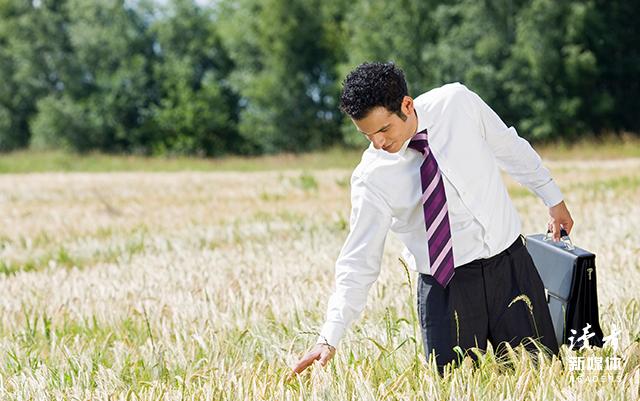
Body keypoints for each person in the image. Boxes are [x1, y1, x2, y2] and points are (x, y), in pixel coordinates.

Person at [290, 62, 573, 376]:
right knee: (455, 390)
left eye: (383, 129)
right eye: (367, 135)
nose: (378, 143)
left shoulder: (458, 103)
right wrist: (329, 336)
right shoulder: (371, 178)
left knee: (543, 377)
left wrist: (552, 198)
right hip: (446, 291)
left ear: (407, 105)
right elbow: (359, 260)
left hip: (512, 268)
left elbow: (508, 147)